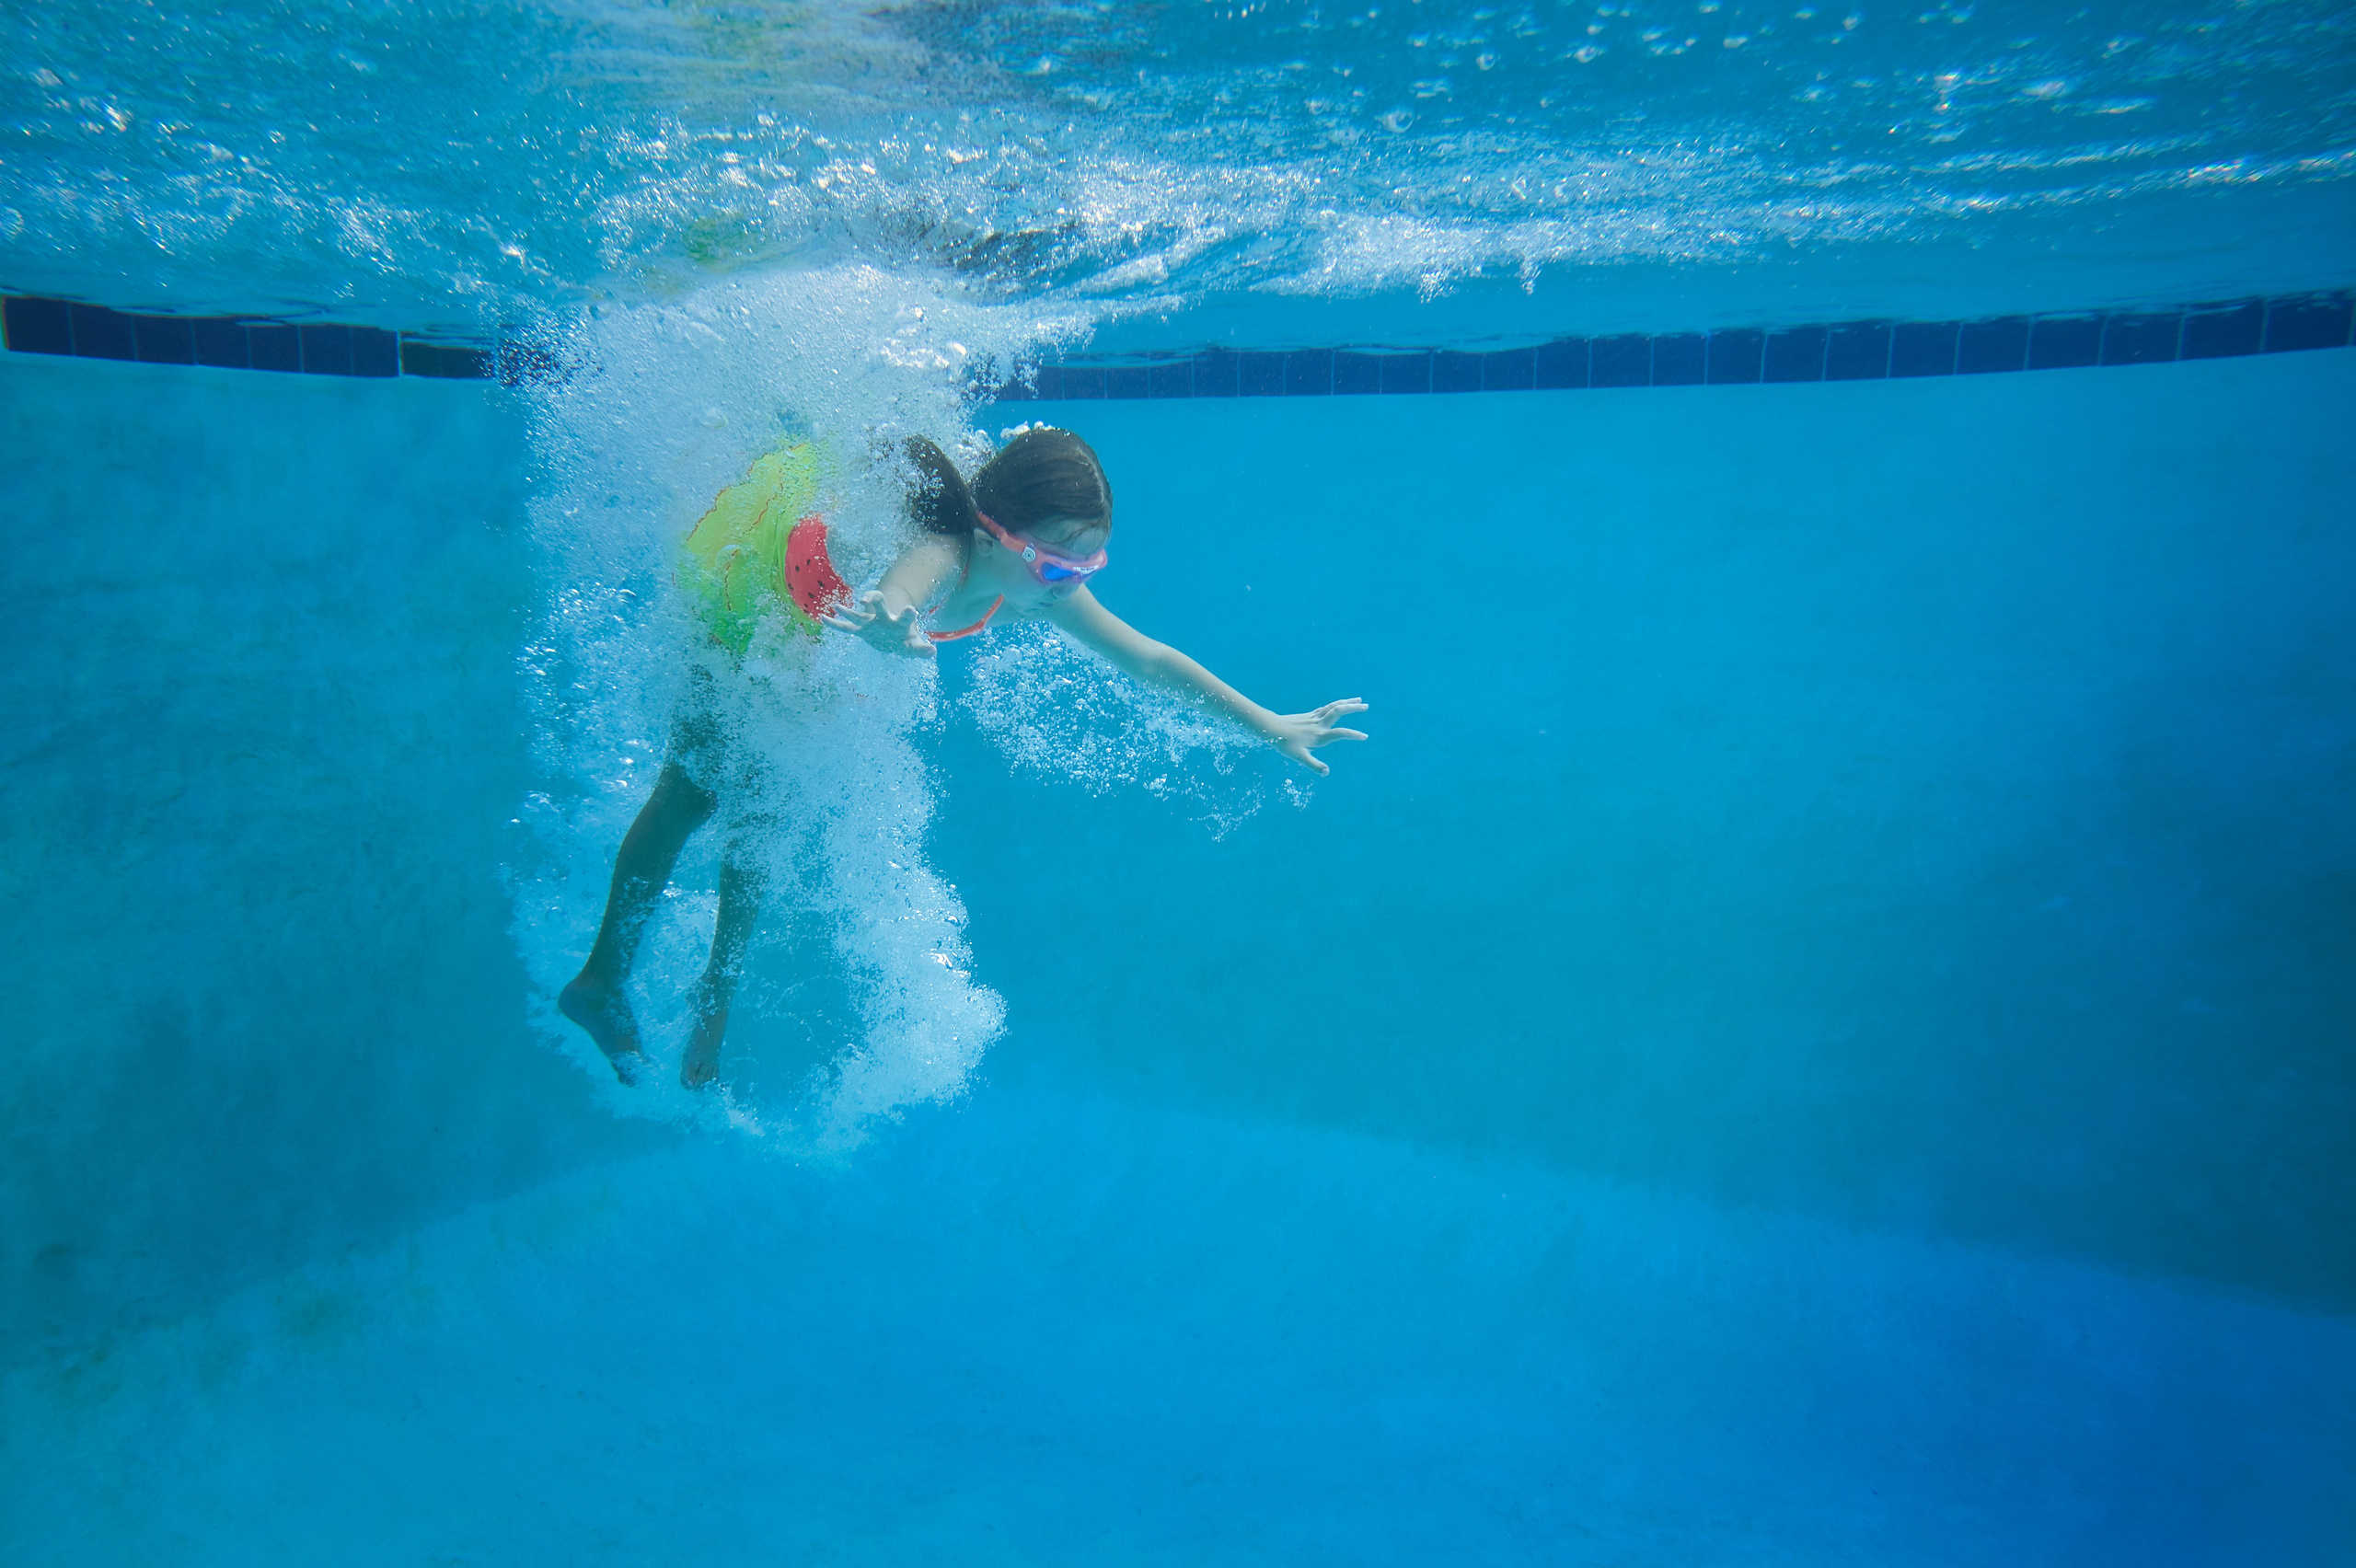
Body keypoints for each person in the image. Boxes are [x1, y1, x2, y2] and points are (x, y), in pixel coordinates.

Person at [559, 424, 1369, 1089]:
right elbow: (908, 581)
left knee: (767, 806)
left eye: (1090, 566)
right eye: (1057, 565)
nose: (1069, 585)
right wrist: (888, 613)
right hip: (755, 593)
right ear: (997, 535)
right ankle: (603, 981)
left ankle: (709, 1004)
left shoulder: (1034, 581)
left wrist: (1270, 725)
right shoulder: (948, 554)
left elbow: (1149, 658)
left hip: (818, 631)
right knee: (695, 795)